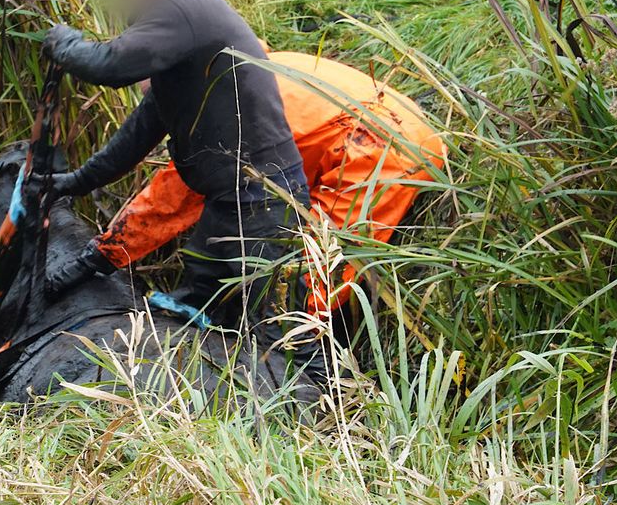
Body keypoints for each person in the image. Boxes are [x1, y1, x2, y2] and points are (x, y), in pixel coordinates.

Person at [42, 0, 307, 327]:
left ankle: (327, 386)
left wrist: (64, 43)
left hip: (261, 203)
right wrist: (71, 183)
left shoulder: (183, 8)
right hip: (236, 203)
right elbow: (134, 139)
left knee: (268, 331)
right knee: (201, 315)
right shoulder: (187, 33)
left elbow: (109, 65)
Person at [78, 51, 446, 316]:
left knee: (322, 260)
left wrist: (106, 253)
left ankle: (294, 352)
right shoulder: (240, 66)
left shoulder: (221, 108)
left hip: (381, 145)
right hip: (384, 121)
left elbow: (172, 196)